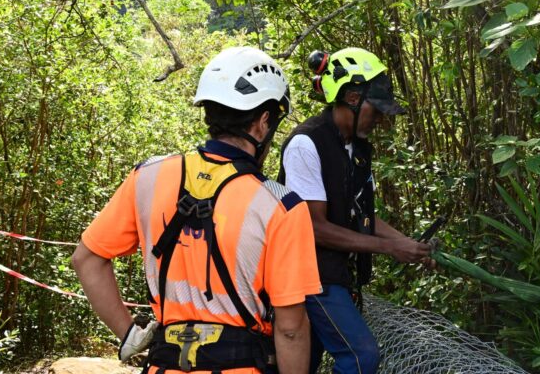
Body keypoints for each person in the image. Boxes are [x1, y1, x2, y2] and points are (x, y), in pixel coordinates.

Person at [72, 46, 322, 374]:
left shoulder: (148, 176)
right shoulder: (281, 205)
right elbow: (291, 328)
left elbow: (86, 258)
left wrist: (129, 333)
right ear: (263, 123)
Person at [277, 47, 433, 374]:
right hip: (310, 275)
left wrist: (409, 244)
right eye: (375, 110)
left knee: (304, 363)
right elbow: (312, 227)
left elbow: (362, 214)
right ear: (351, 97)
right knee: (361, 356)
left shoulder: (357, 149)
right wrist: (391, 248)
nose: (379, 119)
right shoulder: (307, 144)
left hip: (337, 274)